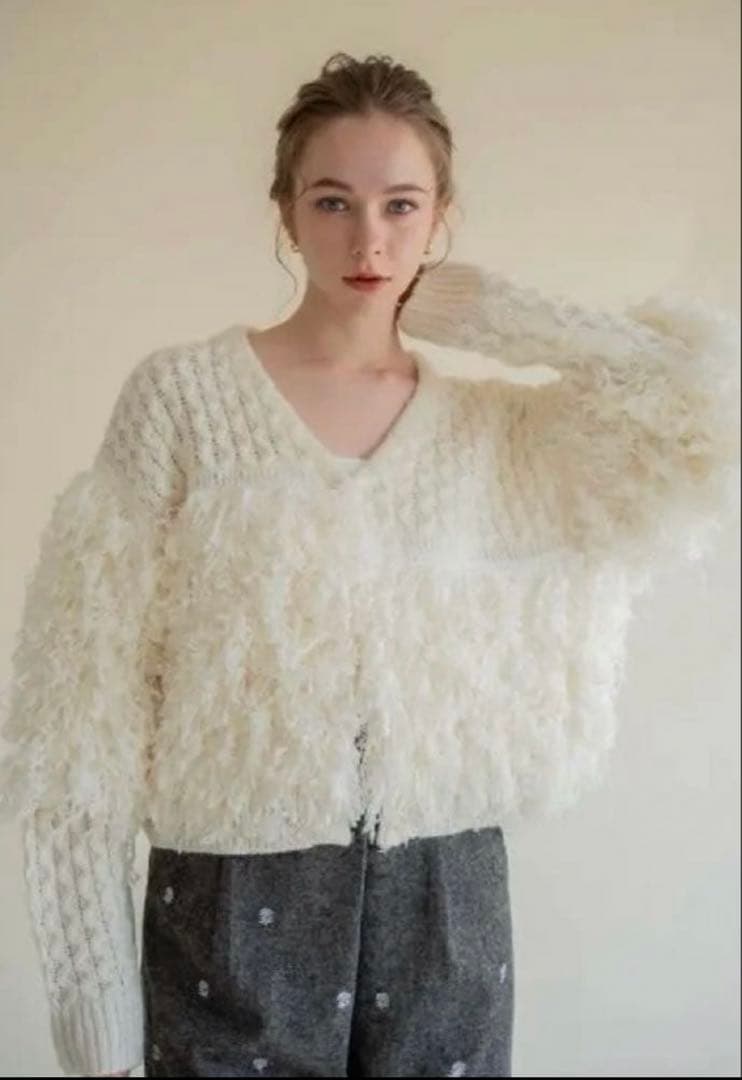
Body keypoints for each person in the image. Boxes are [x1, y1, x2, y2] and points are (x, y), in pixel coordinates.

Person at [0, 51, 739, 1079]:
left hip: (444, 900)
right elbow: (81, 706)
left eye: (401, 204)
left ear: (441, 218)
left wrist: (497, 315)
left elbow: (704, 410)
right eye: (333, 202)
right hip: (230, 901)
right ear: (285, 211)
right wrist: (91, 997)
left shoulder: (494, 436)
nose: (368, 240)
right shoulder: (183, 403)